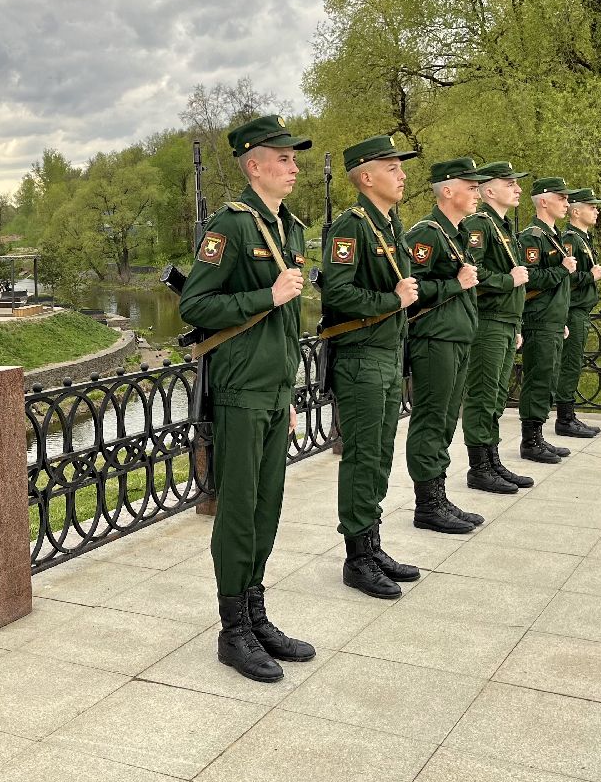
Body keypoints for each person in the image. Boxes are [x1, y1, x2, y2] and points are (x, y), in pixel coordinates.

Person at [179, 115, 314, 683]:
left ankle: (257, 615)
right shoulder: (230, 227)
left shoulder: (293, 228)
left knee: (267, 508)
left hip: (274, 388)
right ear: (253, 163)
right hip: (238, 391)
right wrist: (267, 294)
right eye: (283, 157)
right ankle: (232, 629)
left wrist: (289, 390)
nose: (294, 166)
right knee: (237, 510)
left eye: (294, 157)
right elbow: (194, 305)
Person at [318, 136, 422, 599]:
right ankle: (356, 558)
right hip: (360, 358)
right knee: (361, 458)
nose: (402, 175)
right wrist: (390, 301)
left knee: (380, 455)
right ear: (366, 177)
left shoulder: (391, 225)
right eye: (393, 168)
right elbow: (336, 293)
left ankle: (372, 543)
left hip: (385, 353)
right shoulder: (352, 226)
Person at [404, 158, 491, 534]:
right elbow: (410, 289)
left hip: (456, 337)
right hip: (433, 339)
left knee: (445, 419)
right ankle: (426, 504)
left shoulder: (456, 233)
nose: (478, 194)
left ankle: (437, 494)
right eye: (471, 188)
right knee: (431, 419)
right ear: (448, 190)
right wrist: (456, 284)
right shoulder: (426, 233)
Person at [460, 161, 535, 492]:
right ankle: (479, 467)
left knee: (497, 395)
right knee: (482, 394)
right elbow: (471, 273)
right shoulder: (479, 224)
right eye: (510, 184)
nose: (518, 189)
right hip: (487, 322)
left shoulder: (503, 227)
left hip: (505, 322)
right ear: (489, 190)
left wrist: (517, 323)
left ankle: (492, 460)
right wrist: (508, 279)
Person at [518, 177, 578, 463]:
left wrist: (561, 317)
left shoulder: (552, 236)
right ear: (544, 200)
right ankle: (530, 441)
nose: (567, 203)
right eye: (561, 197)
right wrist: (562, 270)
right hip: (538, 319)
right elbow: (529, 278)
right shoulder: (533, 236)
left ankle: (538, 435)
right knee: (538, 379)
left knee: (549, 378)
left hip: (552, 319)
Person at [556, 187, 601, 437]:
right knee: (570, 364)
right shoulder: (570, 239)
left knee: (574, 363)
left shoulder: (584, 238)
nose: (596, 211)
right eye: (591, 206)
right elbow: (565, 277)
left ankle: (569, 415)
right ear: (576, 211)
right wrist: (591, 276)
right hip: (573, 311)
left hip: (582, 310)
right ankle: (565, 419)